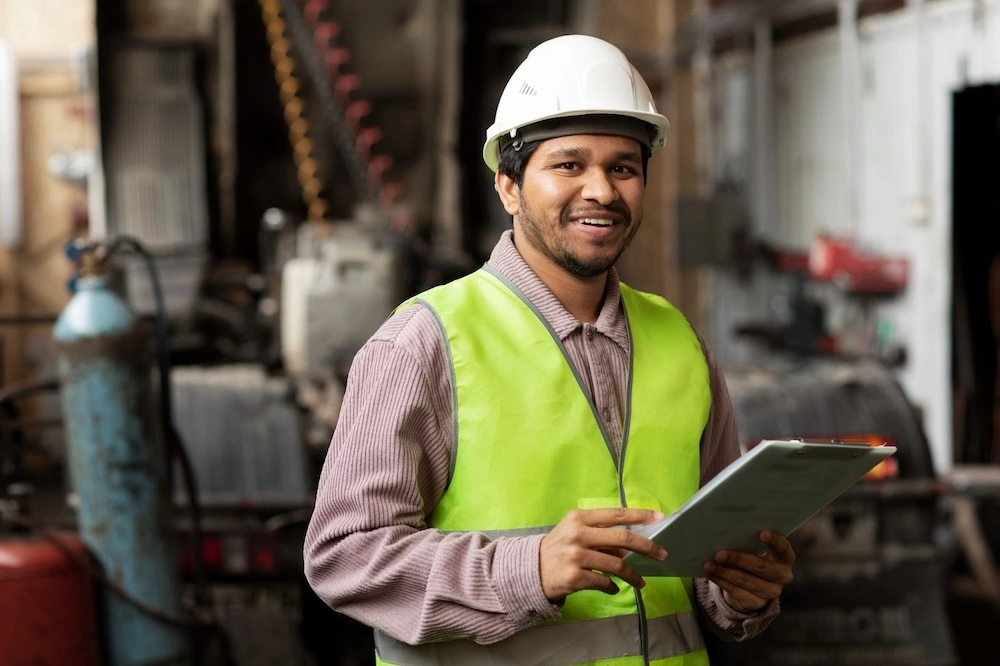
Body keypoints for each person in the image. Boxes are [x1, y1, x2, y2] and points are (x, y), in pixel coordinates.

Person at [304, 34, 795, 665]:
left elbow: (706, 565)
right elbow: (343, 556)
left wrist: (743, 591)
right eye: (569, 165)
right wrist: (525, 569)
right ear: (509, 187)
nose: (601, 190)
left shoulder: (680, 341)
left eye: (623, 167)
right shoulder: (425, 342)